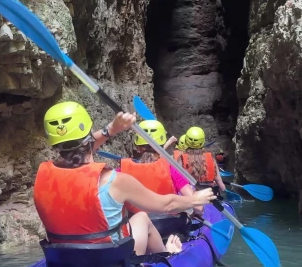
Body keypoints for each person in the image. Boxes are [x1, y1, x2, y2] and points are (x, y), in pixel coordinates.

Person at [33, 102, 216, 256]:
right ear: (89, 136)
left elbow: (77, 149)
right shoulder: (116, 181)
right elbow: (166, 204)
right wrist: (193, 199)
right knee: (142, 218)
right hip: (108, 261)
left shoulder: (43, 174)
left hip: (63, 259)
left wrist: (111, 129)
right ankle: (166, 254)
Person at [119, 120, 202, 217]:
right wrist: (198, 213)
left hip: (136, 224)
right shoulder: (170, 168)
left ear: (138, 146)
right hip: (169, 224)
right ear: (161, 145)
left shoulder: (122, 171)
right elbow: (198, 207)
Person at [178, 126, 226, 192]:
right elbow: (218, 179)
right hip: (209, 193)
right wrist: (224, 190)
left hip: (190, 194)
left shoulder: (181, 158)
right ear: (202, 141)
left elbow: (178, 180)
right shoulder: (211, 157)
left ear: (186, 140)